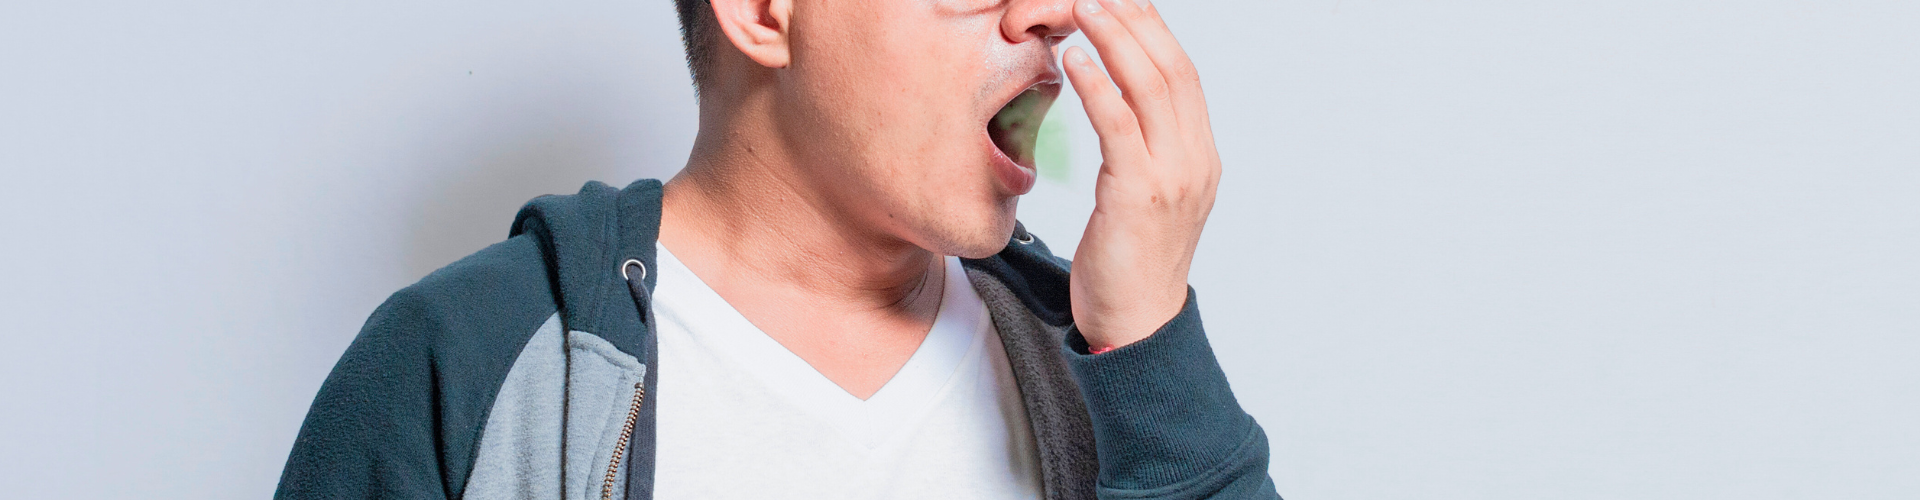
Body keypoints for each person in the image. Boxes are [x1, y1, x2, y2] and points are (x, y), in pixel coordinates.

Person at [275, 0, 1277, 498]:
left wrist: (1150, 344)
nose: (1053, 14)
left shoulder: (1102, 364)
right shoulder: (466, 359)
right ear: (762, 12)